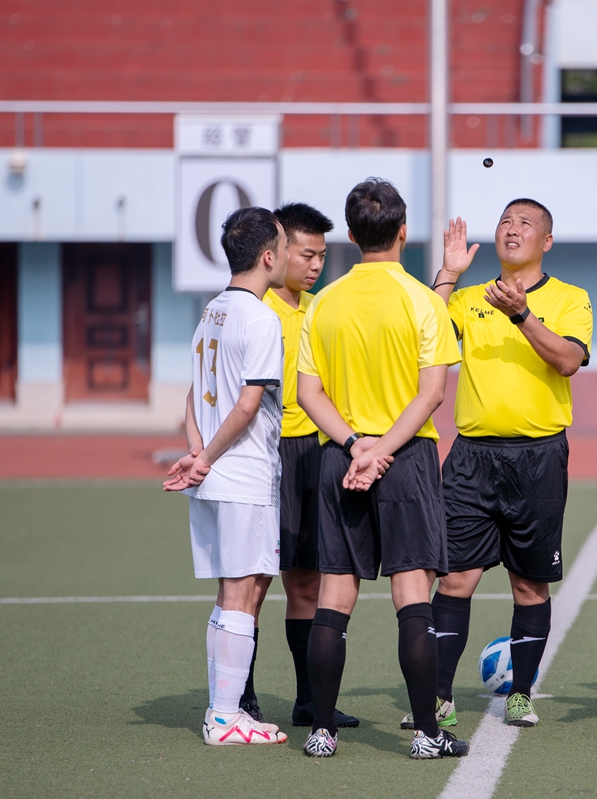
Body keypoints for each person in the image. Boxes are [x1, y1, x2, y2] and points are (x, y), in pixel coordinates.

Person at [295, 177, 470, 760]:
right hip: (407, 459)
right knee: (412, 594)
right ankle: (427, 733)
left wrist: (354, 446)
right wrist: (383, 451)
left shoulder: (323, 304)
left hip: (337, 459)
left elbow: (308, 392)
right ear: (402, 232)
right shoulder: (424, 300)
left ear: (348, 235)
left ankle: (321, 731)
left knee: (334, 596)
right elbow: (430, 397)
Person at [419, 199, 593, 730]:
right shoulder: (467, 299)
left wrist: (521, 314)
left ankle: (521, 694)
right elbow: (421, 337)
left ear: (547, 242)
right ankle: (438, 698)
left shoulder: (571, 298)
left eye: (526, 224)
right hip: (471, 459)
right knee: (453, 582)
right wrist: (447, 275)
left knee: (529, 586)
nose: (512, 230)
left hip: (538, 458)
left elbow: (567, 359)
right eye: (505, 222)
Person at [163, 206, 290, 746]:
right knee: (243, 593)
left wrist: (196, 452)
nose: (287, 256)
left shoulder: (211, 310)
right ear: (267, 257)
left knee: (234, 593)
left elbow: (192, 395)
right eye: (284, 247)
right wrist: (208, 456)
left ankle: (227, 710)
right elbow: (245, 406)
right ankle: (223, 718)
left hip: (216, 475)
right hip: (241, 473)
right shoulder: (260, 317)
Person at [235, 202, 360, 730]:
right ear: (278, 250)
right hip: (267, 455)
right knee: (254, 582)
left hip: (315, 453)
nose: (314, 265)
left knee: (307, 582)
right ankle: (238, 696)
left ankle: (310, 702)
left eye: (322, 256)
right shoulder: (252, 311)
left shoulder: (321, 308)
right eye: (305, 254)